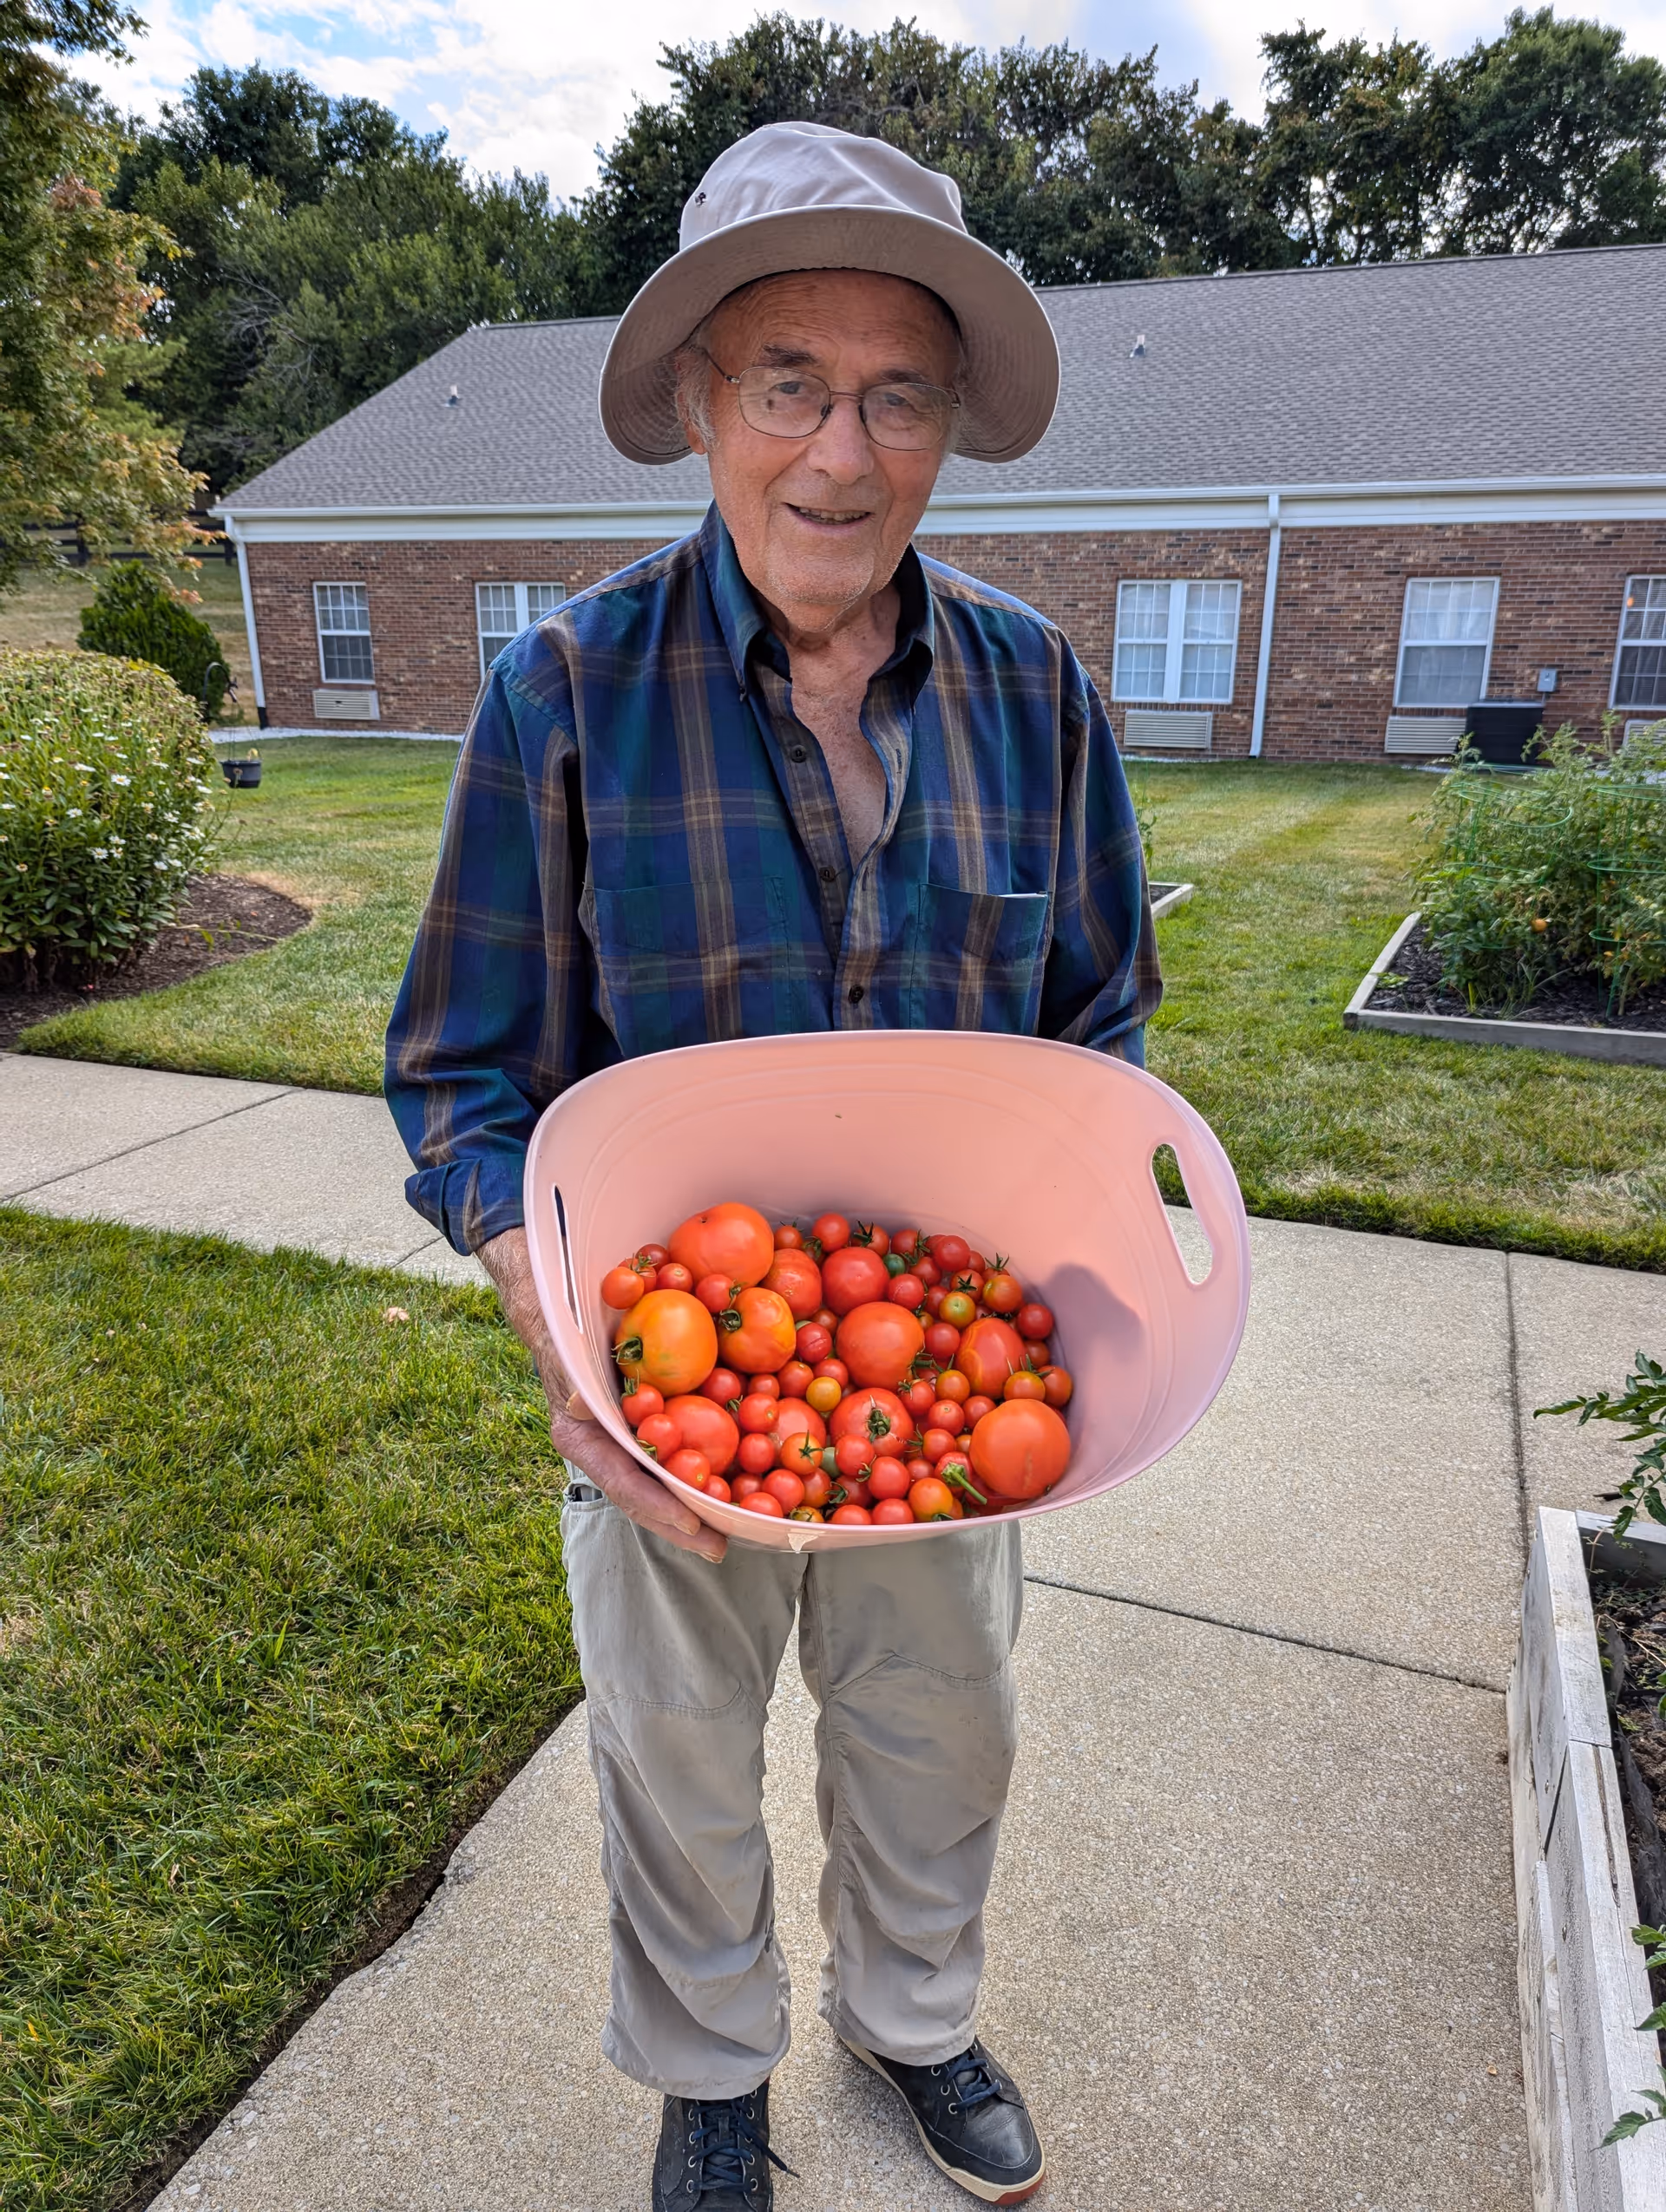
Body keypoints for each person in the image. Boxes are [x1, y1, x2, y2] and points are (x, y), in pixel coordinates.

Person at [386, 120, 1160, 2212]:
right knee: (674, 1764)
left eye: (898, 394)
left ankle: (912, 2024)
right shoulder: (562, 696)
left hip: (940, 1381)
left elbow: (1102, 1030)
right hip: (667, 1376)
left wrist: (1091, 1253)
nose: (843, 450)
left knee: (941, 1737)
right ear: (707, 408)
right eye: (791, 386)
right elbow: (462, 1079)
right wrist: (544, 1311)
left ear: (949, 430)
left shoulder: (1037, 693)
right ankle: (712, 2068)